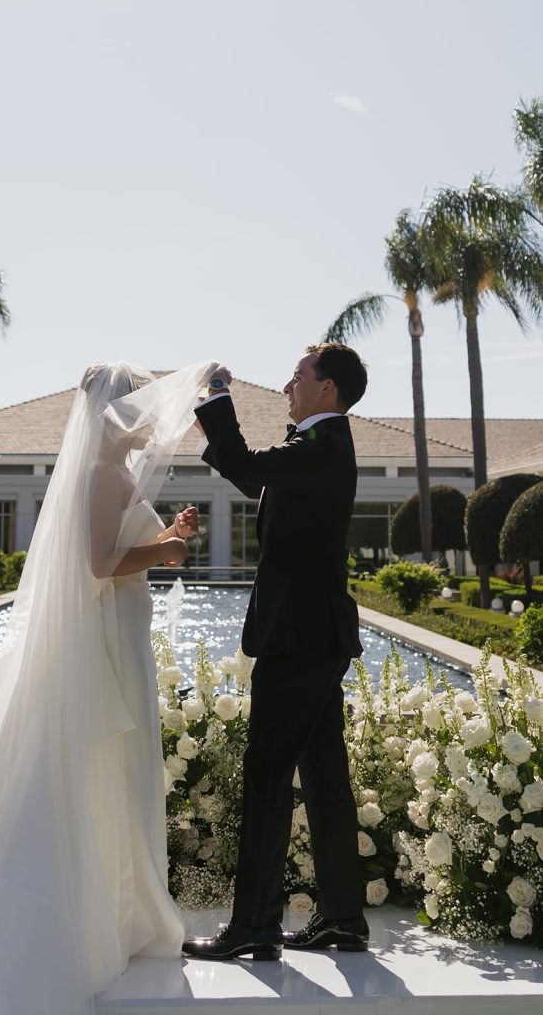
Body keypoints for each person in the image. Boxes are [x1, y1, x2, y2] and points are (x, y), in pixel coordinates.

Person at [0, 360, 215, 1015]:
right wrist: (164, 553)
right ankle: (97, 918)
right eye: (139, 408)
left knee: (111, 773)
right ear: (117, 416)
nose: (148, 421)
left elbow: (105, 556)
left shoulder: (109, 472)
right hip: (106, 648)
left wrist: (167, 535)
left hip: (115, 641)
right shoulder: (104, 473)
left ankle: (119, 913)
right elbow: (97, 563)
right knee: (97, 773)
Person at [182, 343, 369, 962]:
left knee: (266, 774)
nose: (287, 387)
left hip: (299, 639)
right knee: (323, 777)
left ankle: (255, 926)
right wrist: (218, 427)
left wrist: (215, 399)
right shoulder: (319, 449)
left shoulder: (322, 446)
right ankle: (343, 918)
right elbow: (251, 472)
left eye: (297, 378)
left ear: (328, 390)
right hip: (312, 636)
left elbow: (250, 459)